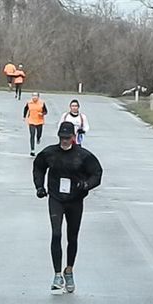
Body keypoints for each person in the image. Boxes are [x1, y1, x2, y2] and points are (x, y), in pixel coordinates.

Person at [32, 121, 102, 292]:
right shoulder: (50, 153)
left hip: (75, 200)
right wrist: (39, 187)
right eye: (62, 138)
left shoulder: (83, 156)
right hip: (56, 198)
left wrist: (86, 185)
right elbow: (38, 167)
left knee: (72, 236)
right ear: (58, 137)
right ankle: (57, 274)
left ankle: (69, 270)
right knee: (56, 234)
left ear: (73, 137)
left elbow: (97, 173)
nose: (64, 141)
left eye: (68, 138)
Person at [23, 92, 48, 156]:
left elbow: (46, 111)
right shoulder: (29, 103)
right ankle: (32, 150)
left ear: (38, 97)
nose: (34, 97)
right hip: (31, 120)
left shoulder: (42, 103)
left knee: (39, 134)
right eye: (33, 96)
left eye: (36, 96)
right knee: (32, 135)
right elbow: (25, 109)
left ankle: (38, 138)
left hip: (39, 121)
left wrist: (42, 114)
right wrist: (24, 117)